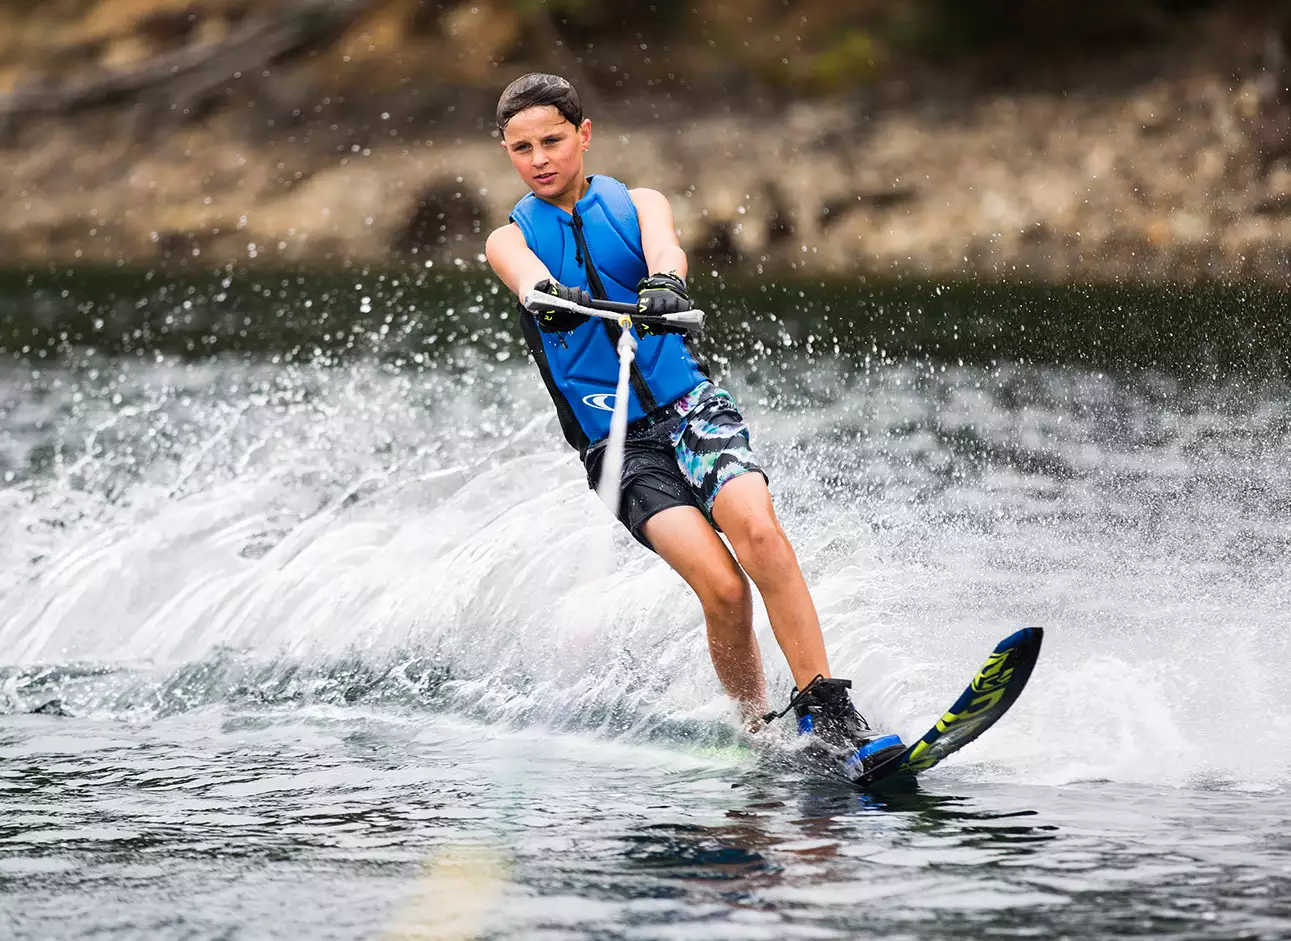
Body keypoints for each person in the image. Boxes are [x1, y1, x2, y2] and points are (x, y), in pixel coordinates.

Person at [483, 72, 903, 775]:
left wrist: (664, 284)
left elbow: (666, 249)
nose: (540, 158)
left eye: (552, 140)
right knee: (722, 587)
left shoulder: (637, 202)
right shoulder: (508, 239)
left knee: (759, 531)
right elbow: (523, 278)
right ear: (508, 153)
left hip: (690, 408)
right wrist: (552, 298)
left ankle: (826, 709)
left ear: (582, 135)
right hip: (616, 445)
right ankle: (757, 730)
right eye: (522, 148)